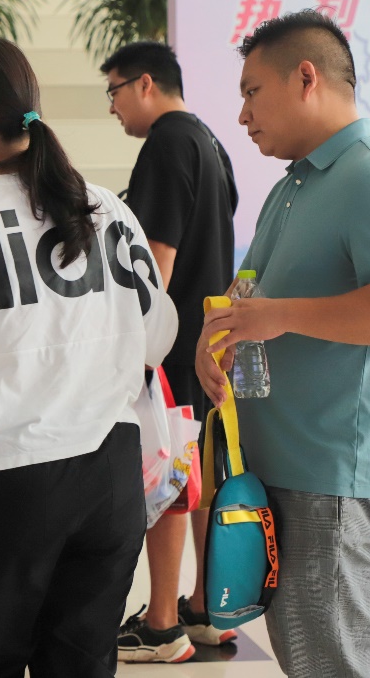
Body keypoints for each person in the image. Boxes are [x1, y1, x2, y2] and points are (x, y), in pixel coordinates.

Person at [0, 37, 178, 677]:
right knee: (81, 665)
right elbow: (157, 336)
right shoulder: (107, 209)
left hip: (0, 478)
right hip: (109, 476)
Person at [195, 9, 370, 678]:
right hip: (287, 470)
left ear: (306, 77)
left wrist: (279, 317)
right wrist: (217, 334)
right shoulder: (294, 184)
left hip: (333, 479)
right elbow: (251, 291)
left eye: (252, 91)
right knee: (312, 658)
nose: (242, 114)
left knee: (334, 664)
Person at [101, 42, 238, 663]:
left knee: (170, 475)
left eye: (114, 91)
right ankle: (206, 608)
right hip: (207, 339)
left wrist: (132, 347)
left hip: (173, 343)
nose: (112, 107)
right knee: (199, 474)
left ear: (145, 83)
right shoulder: (209, 140)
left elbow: (155, 265)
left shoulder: (165, 143)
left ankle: (161, 624)